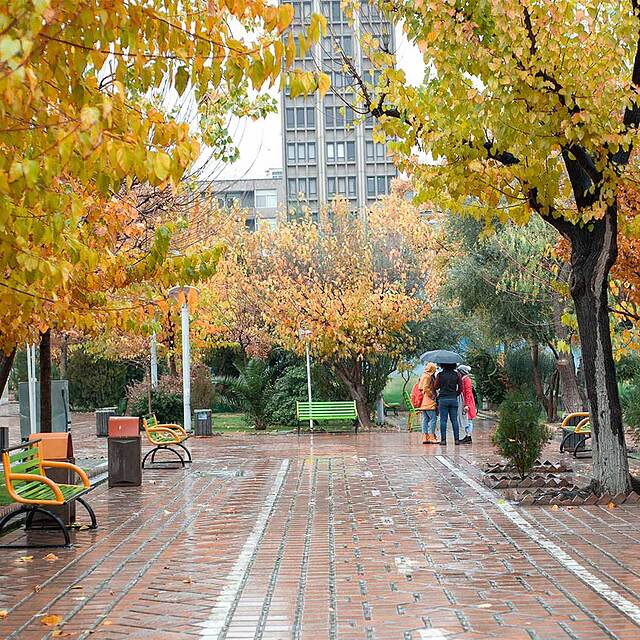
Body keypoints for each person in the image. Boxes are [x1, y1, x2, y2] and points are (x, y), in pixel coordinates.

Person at [434, 363, 463, 445]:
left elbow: (435, 387)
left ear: (442, 365)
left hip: (443, 399)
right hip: (453, 399)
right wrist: (455, 394)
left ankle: (443, 440)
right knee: (454, 420)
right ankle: (456, 440)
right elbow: (461, 388)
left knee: (443, 420)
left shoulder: (440, 375)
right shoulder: (457, 374)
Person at [418, 362, 438, 444]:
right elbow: (426, 388)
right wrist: (432, 395)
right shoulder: (428, 377)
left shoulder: (423, 375)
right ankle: (431, 437)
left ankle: (424, 437)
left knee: (425, 419)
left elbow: (420, 387)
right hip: (429, 401)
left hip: (424, 400)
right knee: (433, 419)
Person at [456, 364, 477, 444]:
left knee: (468, 419)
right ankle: (467, 435)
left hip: (467, 402)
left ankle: (468, 436)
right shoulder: (464, 379)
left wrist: (466, 404)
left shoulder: (466, 380)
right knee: (466, 419)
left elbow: (468, 392)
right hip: (466, 401)